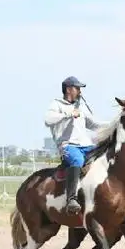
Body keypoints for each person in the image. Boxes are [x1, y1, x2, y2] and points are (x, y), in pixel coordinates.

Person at [44, 76, 106, 214]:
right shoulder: (57, 104)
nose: (80, 91)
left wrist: (115, 124)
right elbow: (48, 120)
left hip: (86, 146)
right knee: (77, 160)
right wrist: (69, 113)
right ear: (68, 90)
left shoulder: (80, 107)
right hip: (68, 146)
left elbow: (95, 124)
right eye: (77, 88)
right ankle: (71, 199)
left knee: (106, 153)